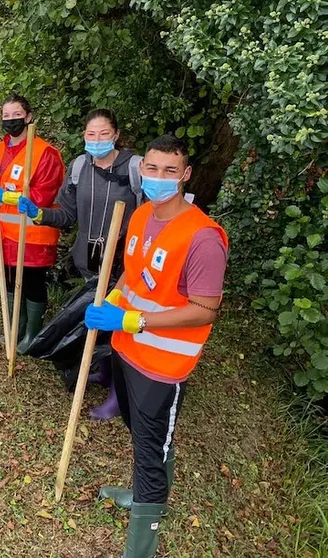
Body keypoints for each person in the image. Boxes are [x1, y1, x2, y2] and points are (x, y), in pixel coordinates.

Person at [83, 135, 228, 557]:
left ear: (185, 175)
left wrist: (132, 319)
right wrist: (111, 303)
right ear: (140, 169)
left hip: (163, 366)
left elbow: (204, 310)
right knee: (145, 435)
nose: (158, 177)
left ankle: (141, 545)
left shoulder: (203, 237)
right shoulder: (143, 213)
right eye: (152, 168)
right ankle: (147, 498)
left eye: (170, 171)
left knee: (151, 448)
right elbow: (135, 273)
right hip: (129, 351)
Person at [18, 109, 142, 420]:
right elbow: (67, 216)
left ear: (115, 135)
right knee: (99, 327)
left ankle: (118, 395)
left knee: (118, 329)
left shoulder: (137, 169)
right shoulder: (79, 168)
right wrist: (38, 213)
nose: (97, 140)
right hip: (89, 264)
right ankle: (101, 370)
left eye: (103, 134)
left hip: (124, 268)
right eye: (91, 134)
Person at [0, 93, 64, 353]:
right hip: (3, 233)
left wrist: (4, 195)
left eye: (17, 115)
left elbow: (42, 196)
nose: (11, 120)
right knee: (8, 282)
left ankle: (32, 334)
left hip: (32, 235)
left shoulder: (45, 153)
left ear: (28, 117)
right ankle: (15, 326)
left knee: (32, 283)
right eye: (6, 116)